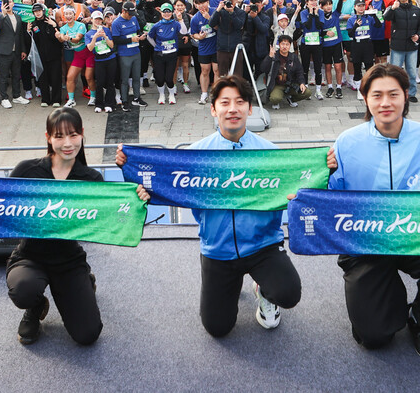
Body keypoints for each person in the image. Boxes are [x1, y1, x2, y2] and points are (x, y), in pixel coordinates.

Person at [116, 75, 312, 337]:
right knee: (217, 328)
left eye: (240, 102)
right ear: (213, 109)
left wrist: (326, 166)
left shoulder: (272, 156)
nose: (233, 109)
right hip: (218, 249)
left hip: (263, 245)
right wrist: (131, 167)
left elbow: (304, 185)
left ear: (250, 109)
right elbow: (159, 181)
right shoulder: (195, 156)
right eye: (225, 102)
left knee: (288, 293)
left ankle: (264, 291)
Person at [0, 107, 149, 345]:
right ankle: (35, 308)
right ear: (48, 137)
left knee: (88, 335)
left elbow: (113, 215)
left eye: (73, 135)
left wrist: (136, 195)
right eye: (59, 136)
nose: (67, 143)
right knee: (23, 290)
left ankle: (84, 282)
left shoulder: (91, 180)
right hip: (30, 256)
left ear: (82, 135)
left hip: (69, 261)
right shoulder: (27, 171)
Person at [330, 63, 420, 358]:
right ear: (365, 98)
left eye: (393, 94)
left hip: (418, 236)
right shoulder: (346, 143)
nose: (385, 102)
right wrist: (313, 175)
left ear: (406, 96)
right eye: (377, 95)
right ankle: (382, 302)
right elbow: (330, 200)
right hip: (365, 244)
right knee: (374, 337)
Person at [383, 0, 420, 103]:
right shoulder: (394, 8)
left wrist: (417, 35)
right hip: (397, 46)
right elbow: (386, 17)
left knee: (411, 72)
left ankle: (411, 93)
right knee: (394, 72)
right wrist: (393, 8)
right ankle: (394, 93)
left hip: (412, 47)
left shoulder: (416, 9)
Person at [261, 35, 313, 109]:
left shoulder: (293, 57)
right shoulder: (274, 56)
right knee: (275, 98)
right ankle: (278, 100)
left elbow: (299, 71)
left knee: (307, 93)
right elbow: (263, 68)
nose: (284, 46)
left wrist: (302, 83)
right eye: (282, 44)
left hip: (290, 84)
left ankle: (291, 99)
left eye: (287, 44)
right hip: (277, 85)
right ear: (279, 45)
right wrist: (269, 57)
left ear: (290, 46)